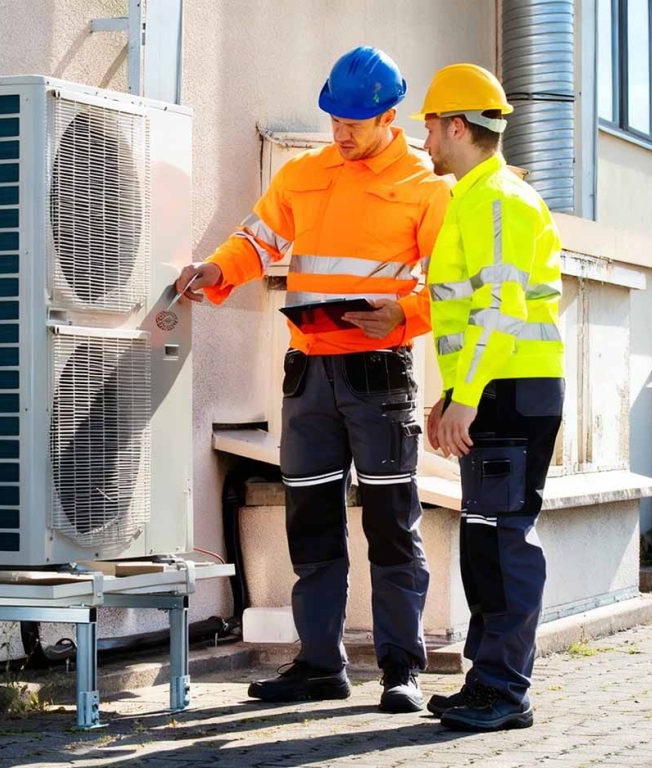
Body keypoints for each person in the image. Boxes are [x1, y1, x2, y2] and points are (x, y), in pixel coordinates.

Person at [176, 46, 450, 712]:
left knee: (391, 525)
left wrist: (403, 314)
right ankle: (321, 665)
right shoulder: (304, 175)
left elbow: (452, 292)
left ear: (391, 116)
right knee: (312, 525)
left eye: (356, 121)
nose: (342, 132)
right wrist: (217, 272)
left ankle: (400, 670)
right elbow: (258, 240)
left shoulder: (427, 186)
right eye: (335, 118)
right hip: (309, 379)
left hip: (378, 378)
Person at [412, 63, 565, 731]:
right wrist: (454, 395)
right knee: (485, 538)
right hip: (494, 390)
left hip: (511, 393)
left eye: (429, 126)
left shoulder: (498, 198)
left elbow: (500, 311)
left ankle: (506, 691)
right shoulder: (476, 198)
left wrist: (466, 398)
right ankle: (488, 683)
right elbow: (470, 315)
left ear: (456, 125)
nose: (424, 140)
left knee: (503, 540)